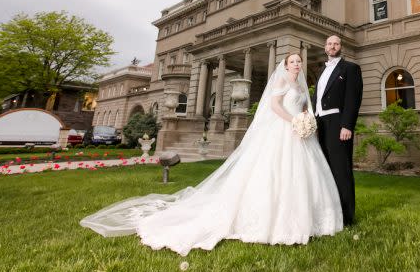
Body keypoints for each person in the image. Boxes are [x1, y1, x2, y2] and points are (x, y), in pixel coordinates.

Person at [79, 53, 343, 255]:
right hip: (285, 130)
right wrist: (293, 122)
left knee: (301, 174)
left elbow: (304, 107)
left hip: (300, 133)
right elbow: (274, 106)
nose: (297, 64)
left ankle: (307, 219)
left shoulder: (300, 85)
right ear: (285, 65)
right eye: (293, 61)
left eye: (299, 61)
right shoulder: (283, 81)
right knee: (274, 172)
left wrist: (305, 120)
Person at [312, 35, 363, 226]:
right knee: (325, 170)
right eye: (329, 44)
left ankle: (348, 217)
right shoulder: (322, 70)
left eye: (336, 43)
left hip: (338, 124)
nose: (332, 46)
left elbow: (353, 98)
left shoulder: (350, 68)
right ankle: (331, 213)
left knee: (341, 170)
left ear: (341, 47)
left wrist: (347, 125)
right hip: (320, 125)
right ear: (325, 47)